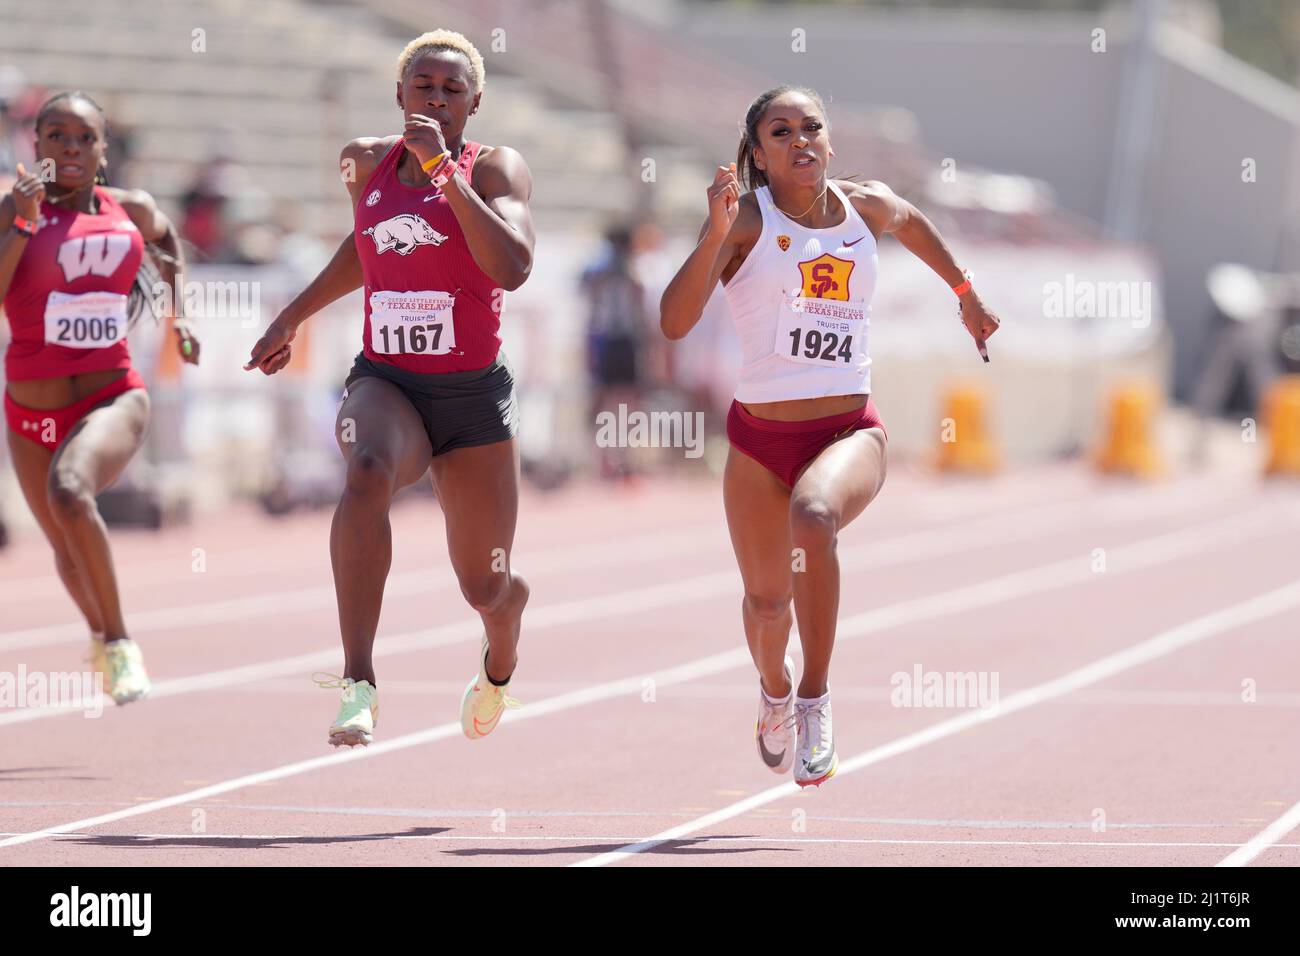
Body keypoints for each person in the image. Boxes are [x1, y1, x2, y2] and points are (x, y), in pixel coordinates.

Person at [660, 86, 1000, 787]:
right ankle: (775, 690)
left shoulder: (864, 205)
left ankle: (814, 697)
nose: (799, 139)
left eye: (810, 126)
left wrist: (965, 294)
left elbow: (911, 222)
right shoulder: (745, 222)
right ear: (757, 153)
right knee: (764, 605)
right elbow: (673, 319)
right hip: (758, 444)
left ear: (830, 139)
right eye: (779, 132)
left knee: (814, 517)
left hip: (850, 431)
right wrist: (715, 231)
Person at [245, 30, 535, 748]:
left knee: (485, 588)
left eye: (452, 89)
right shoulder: (364, 162)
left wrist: (445, 174)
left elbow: (512, 264)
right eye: (423, 85)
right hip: (389, 381)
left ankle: (502, 647)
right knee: (366, 471)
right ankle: (359, 682)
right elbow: (363, 248)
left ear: (474, 103)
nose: (436, 97)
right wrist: (292, 317)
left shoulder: (495, 167)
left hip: (472, 399)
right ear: (400, 94)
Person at [0, 91, 199, 703]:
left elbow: (169, 247)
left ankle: (119, 642)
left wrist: (181, 316)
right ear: (36, 146)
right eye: (56, 136)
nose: (69, 148)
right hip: (31, 407)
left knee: (71, 491)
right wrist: (25, 220)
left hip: (113, 393)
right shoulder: (13, 207)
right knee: (65, 549)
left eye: (83, 137)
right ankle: (98, 634)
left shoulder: (130, 209)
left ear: (102, 149)